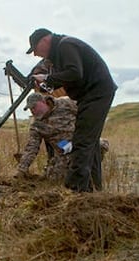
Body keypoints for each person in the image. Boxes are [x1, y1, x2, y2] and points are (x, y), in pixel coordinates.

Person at [25, 28, 117, 192]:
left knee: (82, 141)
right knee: (90, 143)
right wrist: (47, 82)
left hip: (96, 93)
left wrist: (47, 78)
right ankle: (94, 189)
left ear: (45, 40)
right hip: (91, 95)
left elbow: (75, 73)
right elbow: (68, 77)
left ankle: (77, 190)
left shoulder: (65, 46)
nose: (36, 55)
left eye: (36, 49)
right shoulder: (59, 54)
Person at [15, 92, 77, 183]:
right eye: (30, 109)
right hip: (63, 149)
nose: (32, 111)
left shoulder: (66, 103)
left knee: (99, 146)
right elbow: (31, 148)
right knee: (55, 180)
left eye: (34, 107)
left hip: (81, 141)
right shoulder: (36, 126)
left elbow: (86, 110)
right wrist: (22, 168)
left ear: (43, 102)